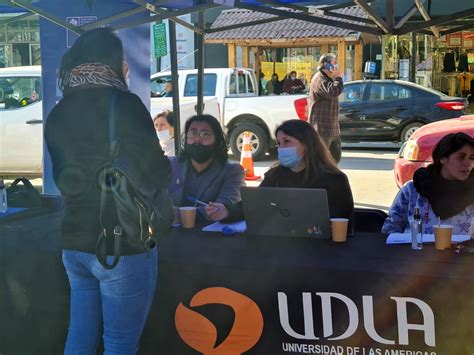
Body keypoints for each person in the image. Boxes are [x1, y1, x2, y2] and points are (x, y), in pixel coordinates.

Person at [44, 28, 170, 354]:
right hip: (121, 241)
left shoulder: (59, 110)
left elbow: (64, 177)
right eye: (123, 59)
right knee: (120, 343)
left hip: (74, 240)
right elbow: (157, 172)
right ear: (113, 61)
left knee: (80, 337)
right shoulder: (124, 103)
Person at [205, 119, 354, 227]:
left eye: (287, 141)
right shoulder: (275, 175)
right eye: (279, 143)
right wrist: (226, 211)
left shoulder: (335, 180)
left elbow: (343, 222)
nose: (281, 148)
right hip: (278, 246)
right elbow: (253, 204)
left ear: (307, 145)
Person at [382, 132, 474, 236]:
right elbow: (390, 228)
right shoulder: (413, 190)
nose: (468, 163)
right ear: (442, 158)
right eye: (461, 157)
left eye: (472, 157)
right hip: (413, 251)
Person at [168, 114, 244, 222]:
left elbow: (221, 209)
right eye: (193, 133)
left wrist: (176, 214)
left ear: (217, 140)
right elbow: (155, 204)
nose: (198, 139)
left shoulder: (232, 171)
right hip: (171, 235)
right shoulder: (171, 165)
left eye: (205, 134)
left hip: (211, 235)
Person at [309, 53, 344, 163]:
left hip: (333, 128)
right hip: (322, 128)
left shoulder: (329, 79)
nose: (336, 66)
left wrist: (336, 79)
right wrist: (338, 77)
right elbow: (333, 92)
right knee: (322, 162)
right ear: (325, 64)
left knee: (334, 160)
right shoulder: (319, 79)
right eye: (334, 63)